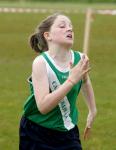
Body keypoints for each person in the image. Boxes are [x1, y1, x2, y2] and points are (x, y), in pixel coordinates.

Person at [19, 13, 97, 150]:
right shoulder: (41, 63)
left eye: (70, 27)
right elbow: (43, 106)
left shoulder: (81, 58)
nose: (69, 29)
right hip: (36, 132)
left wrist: (92, 109)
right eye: (62, 26)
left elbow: (85, 82)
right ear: (48, 36)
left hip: (68, 133)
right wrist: (71, 80)